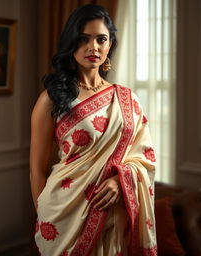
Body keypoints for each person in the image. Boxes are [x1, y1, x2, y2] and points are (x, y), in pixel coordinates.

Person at [30, 4, 157, 256]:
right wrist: (46, 216)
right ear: (72, 43)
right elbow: (36, 169)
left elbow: (146, 158)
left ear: (110, 45)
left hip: (112, 212)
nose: (93, 47)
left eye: (101, 39)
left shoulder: (126, 99)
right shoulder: (51, 99)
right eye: (84, 39)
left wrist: (121, 182)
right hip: (64, 213)